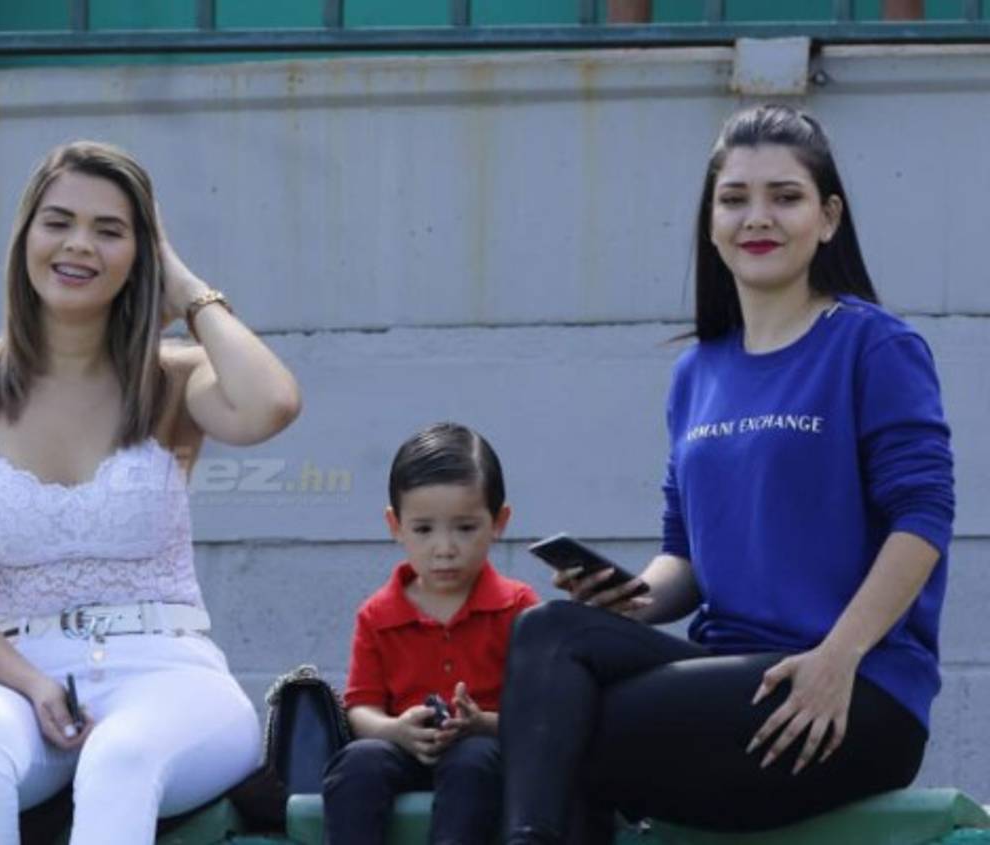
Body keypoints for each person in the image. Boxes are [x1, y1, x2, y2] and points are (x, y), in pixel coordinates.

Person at [499, 104, 955, 844]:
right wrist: (631, 599)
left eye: (785, 196)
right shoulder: (697, 372)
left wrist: (837, 658)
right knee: (549, 634)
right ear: (711, 223)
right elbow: (685, 555)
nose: (757, 217)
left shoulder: (874, 346)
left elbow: (924, 518)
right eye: (735, 198)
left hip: (849, 691)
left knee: (550, 731)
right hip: (725, 677)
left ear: (828, 218)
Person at [0, 140, 301, 845]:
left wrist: (185, 288)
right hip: (18, 679)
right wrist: (30, 682)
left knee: (119, 759)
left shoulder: (173, 379)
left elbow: (270, 403)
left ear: (142, 255)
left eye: (110, 230)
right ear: (26, 236)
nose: (79, 244)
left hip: (171, 678)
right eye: (58, 221)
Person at [323, 422, 539, 844]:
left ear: (499, 522)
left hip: (483, 752)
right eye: (424, 529)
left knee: (473, 761)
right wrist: (396, 731)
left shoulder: (517, 607)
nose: (444, 548)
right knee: (357, 764)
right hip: (404, 748)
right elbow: (362, 708)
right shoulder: (377, 614)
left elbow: (540, 714)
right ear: (395, 525)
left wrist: (483, 723)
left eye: (465, 528)